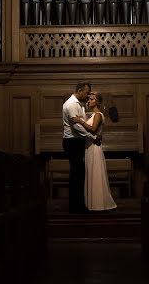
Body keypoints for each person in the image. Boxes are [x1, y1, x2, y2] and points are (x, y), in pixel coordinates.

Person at [74, 92, 117, 211]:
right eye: (88, 99)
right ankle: (91, 203)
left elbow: (93, 130)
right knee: (90, 172)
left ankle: (98, 203)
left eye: (91, 99)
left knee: (95, 173)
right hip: (89, 146)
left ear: (97, 102)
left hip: (94, 147)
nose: (88, 101)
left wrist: (80, 121)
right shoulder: (92, 115)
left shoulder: (98, 114)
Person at [62, 81, 98, 214]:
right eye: (87, 93)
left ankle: (78, 204)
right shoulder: (71, 104)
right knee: (76, 175)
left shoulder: (79, 105)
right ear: (79, 90)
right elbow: (76, 127)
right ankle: (75, 206)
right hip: (72, 142)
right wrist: (92, 137)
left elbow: (82, 121)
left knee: (79, 174)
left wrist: (94, 101)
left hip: (76, 142)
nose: (87, 95)